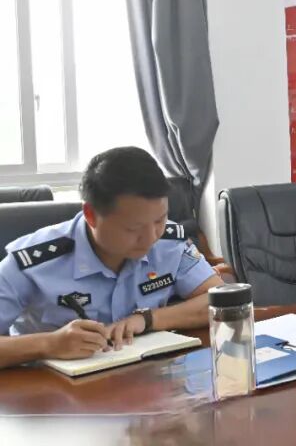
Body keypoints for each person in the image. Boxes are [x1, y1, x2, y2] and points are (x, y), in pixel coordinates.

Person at [0, 147, 223, 370]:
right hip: (50, 386)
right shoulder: (32, 262)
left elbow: (221, 300)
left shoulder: (169, 243)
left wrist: (148, 319)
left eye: (159, 220)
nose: (150, 238)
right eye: (133, 228)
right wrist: (49, 344)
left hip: (145, 378)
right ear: (91, 215)